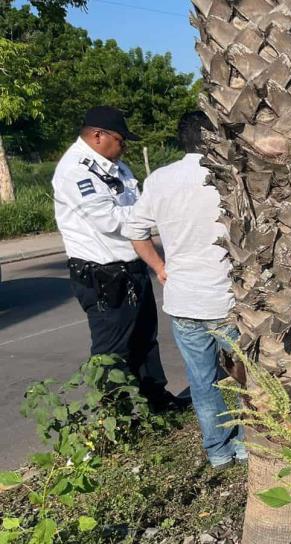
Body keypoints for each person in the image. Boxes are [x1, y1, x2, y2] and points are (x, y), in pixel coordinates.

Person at [121, 111, 247, 469]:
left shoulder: (159, 179)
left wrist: (160, 268)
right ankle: (247, 444)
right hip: (227, 301)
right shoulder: (228, 176)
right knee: (247, 379)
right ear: (213, 139)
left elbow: (136, 232)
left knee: (203, 381)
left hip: (184, 301)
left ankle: (218, 452)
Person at [52, 106, 176, 409]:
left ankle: (154, 401)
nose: (124, 146)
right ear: (98, 135)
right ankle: (117, 415)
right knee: (113, 349)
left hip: (132, 267)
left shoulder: (115, 166)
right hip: (103, 275)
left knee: (145, 338)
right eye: (121, 140)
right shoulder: (75, 171)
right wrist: (156, 213)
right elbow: (109, 220)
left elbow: (137, 202)